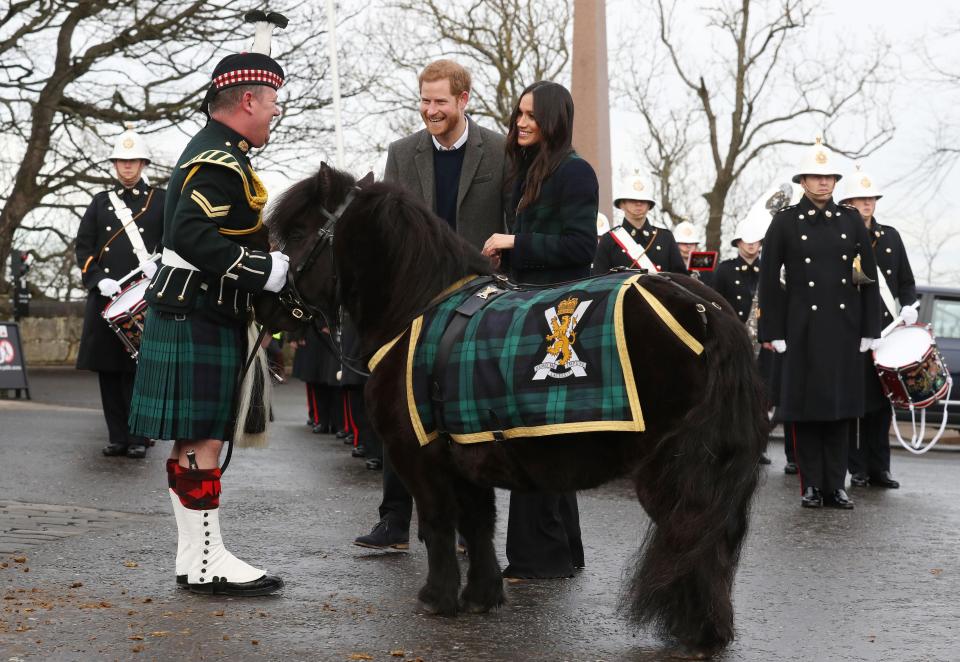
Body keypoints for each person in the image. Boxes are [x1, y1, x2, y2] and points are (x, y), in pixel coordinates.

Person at [127, 42, 289, 595]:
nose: (275, 112)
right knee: (203, 441)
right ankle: (204, 563)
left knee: (198, 441)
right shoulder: (215, 157)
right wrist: (264, 271)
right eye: (272, 102)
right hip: (199, 308)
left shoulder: (221, 151)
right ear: (248, 98)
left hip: (195, 306)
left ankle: (198, 557)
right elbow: (189, 235)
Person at [354, 59, 510, 550]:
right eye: (424, 99)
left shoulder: (501, 152)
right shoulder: (402, 153)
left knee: (467, 411)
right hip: (415, 297)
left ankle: (468, 525)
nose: (430, 110)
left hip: (476, 298)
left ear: (464, 101)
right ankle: (394, 521)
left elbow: (511, 220)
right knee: (403, 409)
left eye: (440, 101)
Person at [481, 80, 594, 579]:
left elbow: (580, 248)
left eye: (531, 115)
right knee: (540, 433)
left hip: (557, 317)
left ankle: (539, 556)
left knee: (536, 434)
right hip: (523, 308)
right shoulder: (520, 172)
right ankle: (561, 548)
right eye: (518, 113)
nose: (521, 122)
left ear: (554, 120)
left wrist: (515, 241)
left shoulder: (576, 172)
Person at [757, 138, 881, 510]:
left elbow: (868, 276)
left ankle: (836, 484)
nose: (823, 183)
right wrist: (773, 332)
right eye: (816, 177)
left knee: (840, 410)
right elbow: (768, 279)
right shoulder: (785, 222)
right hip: (802, 328)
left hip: (844, 327)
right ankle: (812, 484)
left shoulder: (850, 221)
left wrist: (869, 329)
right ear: (803, 181)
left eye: (828, 177)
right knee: (807, 410)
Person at [76, 127, 164, 459]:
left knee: (140, 371)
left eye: (133, 162)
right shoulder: (100, 203)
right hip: (107, 298)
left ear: (143, 164)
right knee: (110, 371)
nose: (127, 168)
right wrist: (97, 279)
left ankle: (139, 437)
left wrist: (162, 269)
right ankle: (117, 436)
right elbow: (83, 248)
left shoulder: (162, 199)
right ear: (115, 165)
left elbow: (174, 242)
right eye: (121, 162)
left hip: (143, 297)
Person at [839, 165, 918, 489]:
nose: (867, 204)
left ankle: (879, 468)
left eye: (870, 199)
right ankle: (856, 468)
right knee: (856, 405)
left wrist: (909, 305)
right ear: (849, 204)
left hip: (886, 333)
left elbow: (905, 280)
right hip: (854, 333)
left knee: (882, 404)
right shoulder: (842, 239)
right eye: (860, 200)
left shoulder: (891, 237)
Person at [714, 217, 773, 465]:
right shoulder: (725, 270)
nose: (750, 245)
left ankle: (757, 447)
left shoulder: (770, 270)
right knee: (733, 395)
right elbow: (716, 305)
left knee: (761, 397)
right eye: (745, 240)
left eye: (755, 240)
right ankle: (731, 446)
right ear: (737, 241)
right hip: (735, 343)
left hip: (765, 342)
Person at [592, 173, 686, 274]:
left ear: (649, 205)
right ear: (622, 204)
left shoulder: (665, 238)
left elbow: (681, 278)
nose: (638, 203)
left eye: (643, 200)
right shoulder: (609, 240)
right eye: (632, 200)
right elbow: (600, 281)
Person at [673, 220, 714, 285]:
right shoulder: (669, 265)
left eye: (692, 243)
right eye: (684, 243)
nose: (688, 246)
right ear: (675, 245)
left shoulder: (706, 271)